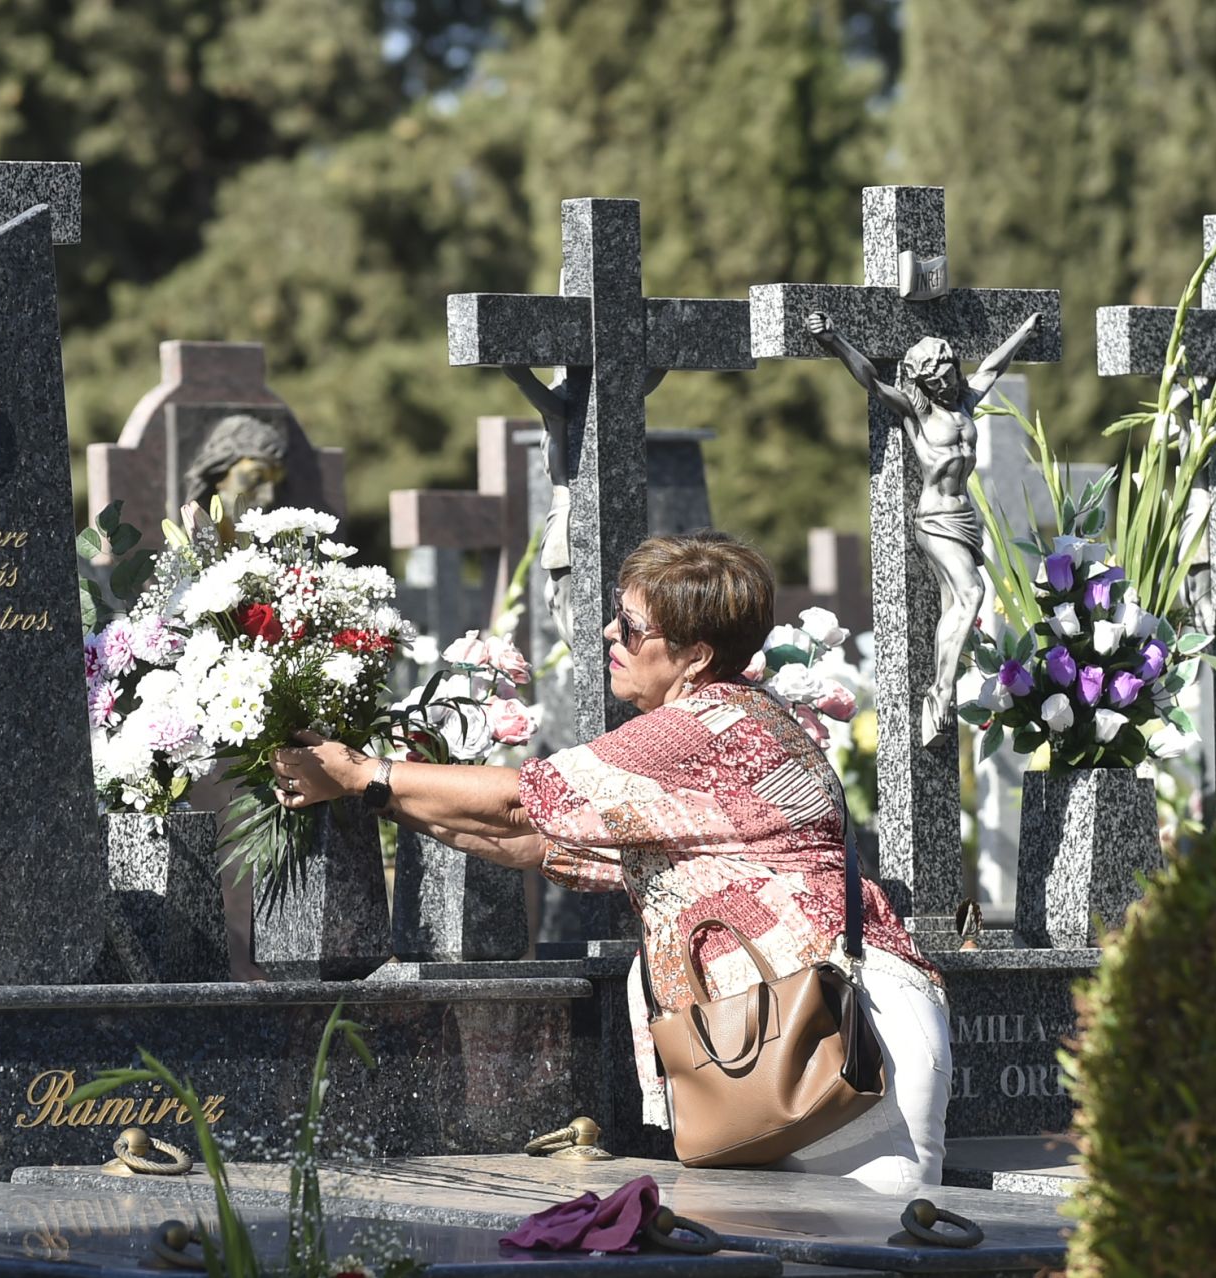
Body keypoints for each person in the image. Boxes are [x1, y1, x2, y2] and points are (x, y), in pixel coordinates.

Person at [270, 532, 952, 1188]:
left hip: (836, 1038)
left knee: (876, 1246)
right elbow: (536, 843)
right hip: (784, 1034)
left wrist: (361, 771)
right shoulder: (730, 717)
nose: (607, 635)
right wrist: (374, 794)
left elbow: (519, 802)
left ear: (694, 656)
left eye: (630, 627)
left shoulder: (701, 726)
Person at [806, 310, 1040, 746]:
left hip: (966, 516)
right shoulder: (916, 412)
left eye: (950, 375)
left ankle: (940, 698)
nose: (947, 384)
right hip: (935, 518)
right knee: (971, 594)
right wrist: (834, 339)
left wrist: (1024, 333)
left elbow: (992, 367)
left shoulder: (965, 403)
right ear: (923, 383)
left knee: (954, 606)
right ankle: (941, 692)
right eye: (937, 380)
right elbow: (871, 381)